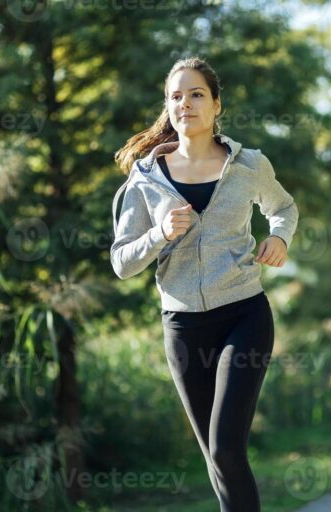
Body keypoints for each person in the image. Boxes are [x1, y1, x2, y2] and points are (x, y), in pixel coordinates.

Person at [110, 56, 299, 512]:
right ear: (168, 107)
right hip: (182, 326)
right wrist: (160, 234)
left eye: (196, 94)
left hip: (243, 314)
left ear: (216, 105)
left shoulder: (249, 164)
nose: (185, 103)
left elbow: (284, 208)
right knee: (215, 458)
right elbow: (121, 262)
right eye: (176, 96)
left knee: (227, 449)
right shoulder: (145, 178)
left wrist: (278, 236)